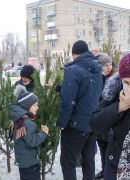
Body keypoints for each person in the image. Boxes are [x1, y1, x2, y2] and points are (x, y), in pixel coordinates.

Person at [59, 40, 103, 180]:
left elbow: (68, 101)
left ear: (74, 54)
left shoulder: (73, 70)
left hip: (76, 125)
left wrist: (62, 123)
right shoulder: (97, 69)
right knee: (89, 161)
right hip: (92, 123)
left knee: (68, 162)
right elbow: (90, 92)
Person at [90, 53, 130, 180]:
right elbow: (95, 123)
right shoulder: (115, 94)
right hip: (115, 166)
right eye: (126, 82)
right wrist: (119, 108)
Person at [9, 84, 49, 180]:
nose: (37, 107)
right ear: (27, 107)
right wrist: (43, 133)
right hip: (30, 162)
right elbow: (32, 142)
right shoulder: (27, 123)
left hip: (23, 161)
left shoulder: (19, 119)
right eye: (34, 105)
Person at [94, 53, 116, 179]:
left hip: (111, 119)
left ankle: (110, 171)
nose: (108, 67)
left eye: (109, 64)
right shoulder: (97, 80)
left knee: (110, 148)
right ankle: (104, 170)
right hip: (100, 119)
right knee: (102, 146)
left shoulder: (115, 79)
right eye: (105, 65)